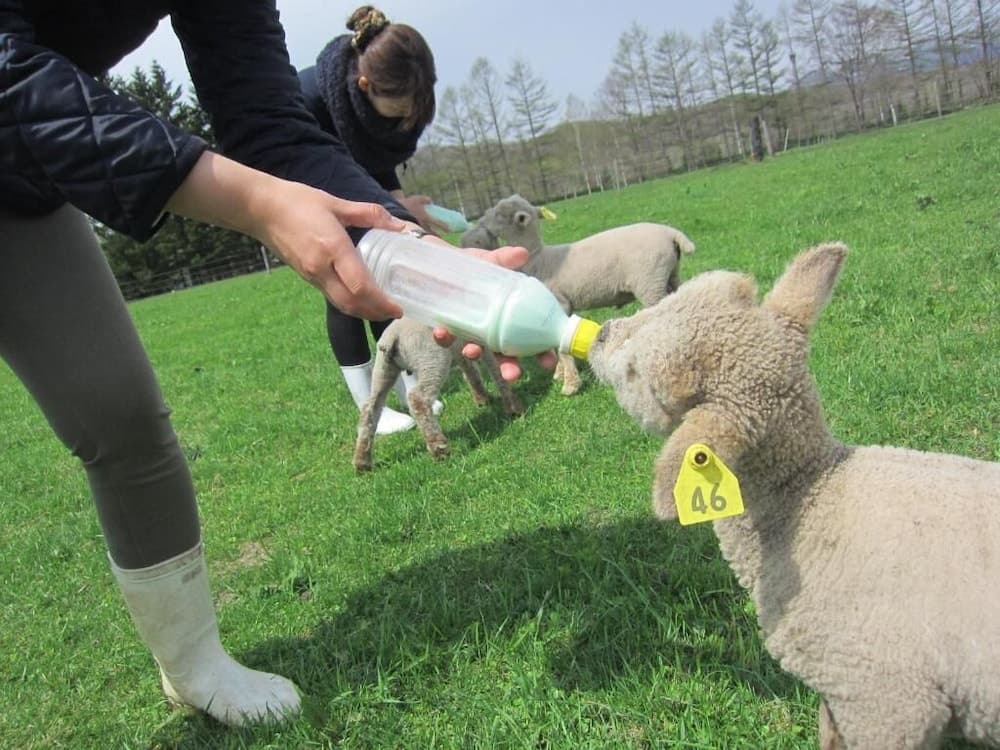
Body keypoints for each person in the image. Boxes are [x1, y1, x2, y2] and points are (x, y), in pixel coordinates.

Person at [0, 0, 540, 728]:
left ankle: (192, 664)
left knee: (119, 413)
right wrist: (254, 202)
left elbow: (266, 121)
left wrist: (417, 250)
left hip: (15, 177)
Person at [299, 6, 449, 434]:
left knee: (388, 279)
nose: (407, 121)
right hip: (305, 191)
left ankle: (402, 386)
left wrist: (400, 208)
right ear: (365, 85)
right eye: (401, 109)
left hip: (353, 188)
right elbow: (301, 164)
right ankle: (369, 404)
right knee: (347, 288)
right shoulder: (309, 101)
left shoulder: (365, 110)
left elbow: (371, 163)